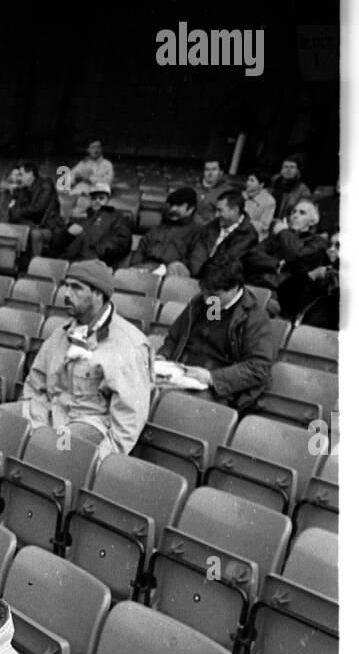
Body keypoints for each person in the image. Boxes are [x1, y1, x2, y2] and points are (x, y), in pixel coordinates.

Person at [21, 259, 152, 459]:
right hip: (49, 415)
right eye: (66, 286)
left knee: (55, 450)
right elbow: (34, 385)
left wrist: (100, 461)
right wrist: (36, 424)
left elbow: (129, 421)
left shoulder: (128, 345)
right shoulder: (61, 333)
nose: (65, 294)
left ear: (98, 294)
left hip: (88, 423)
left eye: (76, 288)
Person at [156, 255, 274, 415]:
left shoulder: (255, 317)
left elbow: (258, 368)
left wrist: (212, 377)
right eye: (204, 292)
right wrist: (163, 356)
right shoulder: (206, 302)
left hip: (217, 388)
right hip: (180, 373)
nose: (206, 299)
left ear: (235, 288)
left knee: (170, 406)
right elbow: (174, 338)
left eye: (213, 294)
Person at [249, 199, 330, 321]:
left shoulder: (318, 242)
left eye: (302, 213)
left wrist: (283, 231)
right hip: (254, 283)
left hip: (280, 296)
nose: (295, 216)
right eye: (293, 212)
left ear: (313, 221)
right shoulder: (279, 236)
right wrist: (276, 264)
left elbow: (296, 254)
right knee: (219, 299)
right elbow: (252, 255)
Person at [52, 182, 132, 266]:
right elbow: (60, 242)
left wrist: (98, 251)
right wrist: (68, 233)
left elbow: (122, 239)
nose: (97, 201)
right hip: (69, 260)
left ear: (108, 200)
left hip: (95, 261)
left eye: (101, 198)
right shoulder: (83, 216)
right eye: (94, 198)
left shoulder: (116, 217)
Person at [131, 185, 202, 274]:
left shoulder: (198, 232)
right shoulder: (158, 229)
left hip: (173, 273)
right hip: (147, 268)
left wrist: (165, 267)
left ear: (191, 209)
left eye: (179, 205)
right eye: (172, 205)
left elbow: (195, 262)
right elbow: (141, 248)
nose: (173, 209)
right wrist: (137, 265)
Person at [187, 190, 258, 278]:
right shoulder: (213, 225)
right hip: (197, 274)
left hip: (218, 283)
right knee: (176, 267)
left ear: (235, 210)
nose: (216, 215)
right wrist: (197, 274)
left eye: (220, 210)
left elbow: (226, 263)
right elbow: (198, 252)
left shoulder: (247, 235)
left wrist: (204, 277)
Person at [194, 157, 233, 224]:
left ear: (221, 172)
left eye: (214, 169)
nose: (210, 173)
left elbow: (229, 214)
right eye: (207, 169)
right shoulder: (193, 188)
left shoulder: (228, 191)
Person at [242, 169, 276, 243]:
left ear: (261, 185)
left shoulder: (269, 201)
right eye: (248, 180)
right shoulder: (242, 195)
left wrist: (243, 222)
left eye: (252, 180)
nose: (247, 183)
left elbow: (264, 226)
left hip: (256, 237)